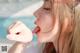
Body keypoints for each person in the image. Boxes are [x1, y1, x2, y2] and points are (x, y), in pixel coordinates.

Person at [8, 0, 80, 53]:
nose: (35, 13)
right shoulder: (41, 49)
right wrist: (21, 43)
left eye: (47, 8)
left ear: (70, 23)